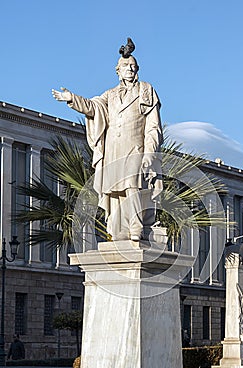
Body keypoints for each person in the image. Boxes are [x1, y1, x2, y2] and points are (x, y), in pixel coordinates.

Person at [52, 38, 163, 241]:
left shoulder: (146, 90)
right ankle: (119, 229)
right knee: (115, 191)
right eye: (125, 66)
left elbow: (153, 126)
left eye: (132, 66)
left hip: (135, 147)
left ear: (137, 69)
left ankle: (136, 226)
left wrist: (150, 152)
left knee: (132, 185)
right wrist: (71, 98)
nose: (129, 68)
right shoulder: (110, 95)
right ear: (117, 71)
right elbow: (92, 107)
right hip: (113, 149)